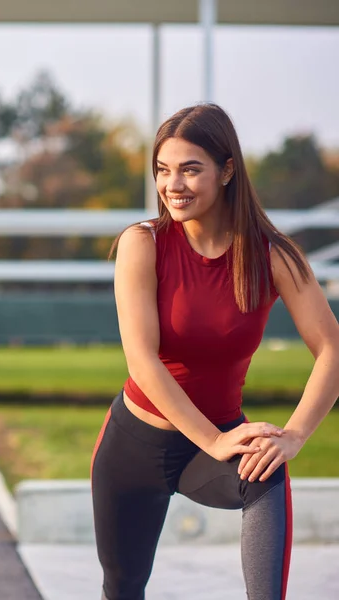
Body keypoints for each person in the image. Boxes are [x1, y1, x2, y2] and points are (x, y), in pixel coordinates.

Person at [90, 103, 339, 600]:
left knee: (266, 468)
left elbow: (332, 346)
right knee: (121, 588)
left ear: (227, 171)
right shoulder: (143, 244)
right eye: (163, 170)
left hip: (213, 444)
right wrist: (213, 439)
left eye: (190, 169)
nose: (173, 185)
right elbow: (143, 358)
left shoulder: (274, 255)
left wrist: (292, 436)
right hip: (133, 445)